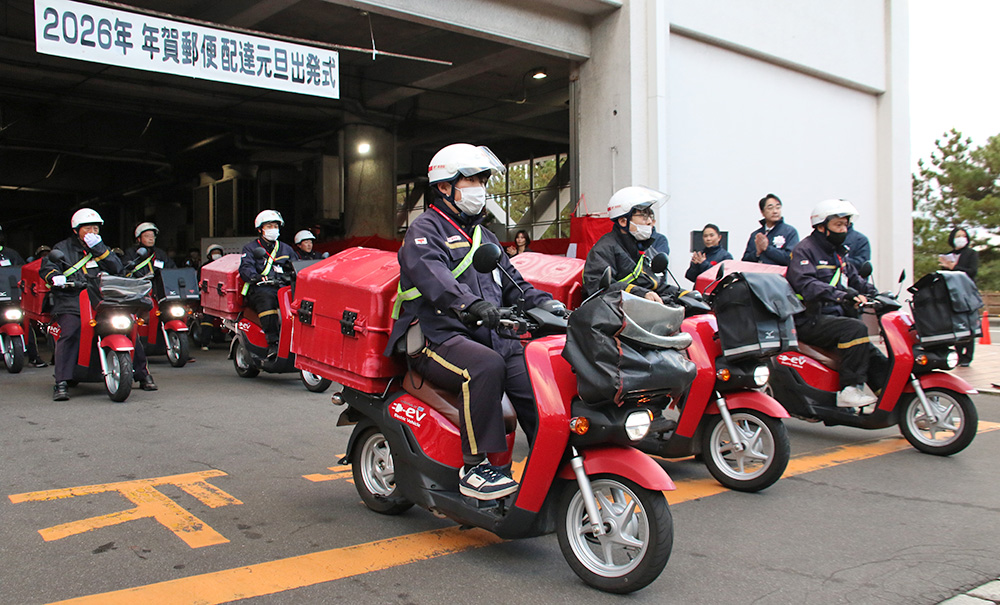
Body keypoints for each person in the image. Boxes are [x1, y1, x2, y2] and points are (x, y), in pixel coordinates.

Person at [386, 143, 564, 501]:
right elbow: (436, 282)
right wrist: (474, 305)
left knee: (537, 378)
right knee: (485, 366)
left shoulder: (484, 235)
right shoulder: (424, 231)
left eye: (482, 179)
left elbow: (516, 284)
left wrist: (551, 306)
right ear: (444, 186)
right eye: (470, 180)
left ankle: (557, 462)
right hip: (436, 337)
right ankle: (477, 467)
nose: (479, 187)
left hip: (489, 334)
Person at [40, 208, 157, 400]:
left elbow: (117, 269)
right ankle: (60, 382)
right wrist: (55, 278)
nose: (92, 232)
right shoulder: (62, 248)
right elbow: (48, 267)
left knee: (129, 326)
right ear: (77, 230)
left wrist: (100, 249)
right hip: (73, 299)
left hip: (103, 299)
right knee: (70, 330)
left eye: (95, 228)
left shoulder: (102, 248)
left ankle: (142, 374)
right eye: (88, 229)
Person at [786, 199, 888, 408]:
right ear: (822, 227)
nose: (844, 229)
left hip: (833, 319)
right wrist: (841, 296)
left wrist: (879, 295)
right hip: (809, 319)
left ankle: (893, 399)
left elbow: (855, 280)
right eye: (838, 225)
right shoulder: (805, 250)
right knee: (855, 329)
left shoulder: (838, 253)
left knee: (871, 354)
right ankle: (849, 390)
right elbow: (806, 284)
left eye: (845, 225)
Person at [582, 185, 673, 302]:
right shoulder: (604, 249)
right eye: (643, 215)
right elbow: (599, 288)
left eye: (650, 215)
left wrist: (682, 294)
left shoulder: (645, 248)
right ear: (623, 221)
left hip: (644, 313)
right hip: (614, 316)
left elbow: (655, 284)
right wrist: (640, 293)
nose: (650, 221)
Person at [239, 210, 298, 359]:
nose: (273, 229)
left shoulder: (286, 249)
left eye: (275, 226)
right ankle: (273, 343)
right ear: (260, 229)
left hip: (283, 287)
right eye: (269, 226)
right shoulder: (251, 248)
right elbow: (246, 268)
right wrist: (256, 277)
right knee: (267, 301)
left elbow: (298, 266)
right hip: (261, 288)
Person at [0, 225, 46, 368]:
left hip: (12, 298)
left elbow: (24, 272)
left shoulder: (10, 254)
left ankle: (34, 356)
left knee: (26, 322)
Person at [940, 226, 979, 366]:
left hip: (967, 292)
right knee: (955, 325)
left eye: (963, 236)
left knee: (969, 324)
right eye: (958, 236)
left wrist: (954, 267)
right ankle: (957, 353)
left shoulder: (971, 254)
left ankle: (967, 356)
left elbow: (972, 272)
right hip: (952, 293)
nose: (961, 238)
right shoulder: (948, 256)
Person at [742, 193, 799, 266]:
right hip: (757, 275)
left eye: (778, 208)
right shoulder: (756, 235)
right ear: (762, 212)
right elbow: (744, 262)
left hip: (778, 276)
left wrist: (767, 248)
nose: (775, 211)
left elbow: (791, 259)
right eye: (770, 208)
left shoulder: (789, 231)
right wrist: (757, 253)